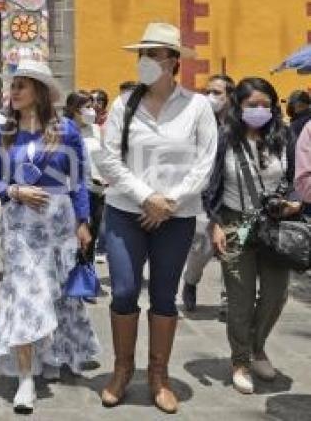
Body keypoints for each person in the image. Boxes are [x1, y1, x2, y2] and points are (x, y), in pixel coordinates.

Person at [95, 23, 218, 414]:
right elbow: (109, 159)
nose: (145, 62)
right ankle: (122, 369)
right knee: (125, 289)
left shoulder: (197, 106)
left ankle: (159, 376)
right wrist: (147, 197)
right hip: (125, 211)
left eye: (153, 55)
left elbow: (205, 160)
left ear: (173, 62)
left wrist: (171, 201)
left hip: (177, 216)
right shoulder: (122, 105)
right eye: (141, 55)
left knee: (165, 295)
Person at [0, 60, 99, 414]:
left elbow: (80, 180)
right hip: (20, 226)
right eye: (12, 86)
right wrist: (16, 191)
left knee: (60, 293)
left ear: (39, 91)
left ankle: (61, 352)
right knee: (24, 295)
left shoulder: (65, 130)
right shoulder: (2, 132)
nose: (13, 92)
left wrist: (84, 221)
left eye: (21, 85)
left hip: (60, 223)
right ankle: (26, 377)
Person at [203, 77, 298, 395]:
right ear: (237, 107)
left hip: (274, 225)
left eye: (266, 105)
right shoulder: (224, 139)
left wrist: (293, 202)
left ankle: (257, 347)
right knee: (240, 298)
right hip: (235, 224)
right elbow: (210, 185)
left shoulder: (283, 137)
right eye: (252, 105)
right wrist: (214, 222)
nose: (260, 110)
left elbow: (296, 177)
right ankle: (241, 360)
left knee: (276, 294)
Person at [182, 74, 235, 313]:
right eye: (207, 92)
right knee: (201, 247)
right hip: (204, 195)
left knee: (234, 247)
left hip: (233, 194)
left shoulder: (239, 126)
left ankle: (229, 299)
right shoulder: (198, 122)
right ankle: (191, 282)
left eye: (217, 92)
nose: (210, 97)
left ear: (230, 96)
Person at [64, 90, 107, 264]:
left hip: (96, 190)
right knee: (73, 236)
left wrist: (105, 177)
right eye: (87, 107)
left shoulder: (96, 129)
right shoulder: (63, 129)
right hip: (72, 191)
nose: (93, 110)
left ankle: (86, 278)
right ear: (75, 109)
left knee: (91, 235)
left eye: (93, 106)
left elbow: (102, 156)